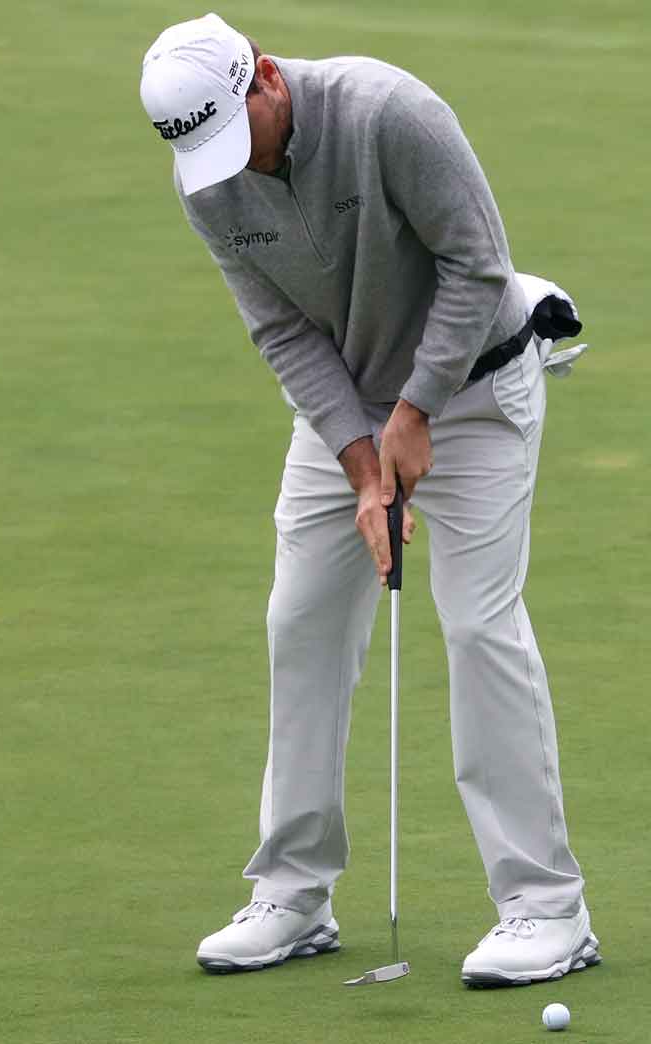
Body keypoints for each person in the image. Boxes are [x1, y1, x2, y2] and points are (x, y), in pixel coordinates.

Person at [138, 13, 598, 986]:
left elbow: (477, 264)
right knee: (299, 620)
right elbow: (281, 333)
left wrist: (417, 412)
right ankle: (292, 894)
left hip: (473, 383)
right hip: (348, 404)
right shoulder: (209, 185)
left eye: (238, 136)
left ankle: (545, 909)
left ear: (264, 78)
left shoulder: (389, 112)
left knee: (477, 625)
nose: (232, 168)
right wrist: (362, 467)